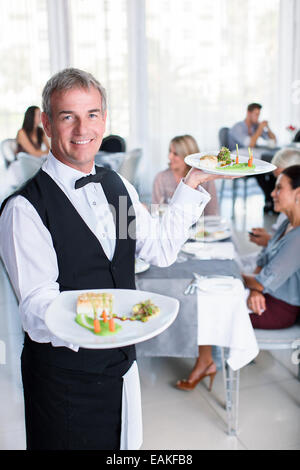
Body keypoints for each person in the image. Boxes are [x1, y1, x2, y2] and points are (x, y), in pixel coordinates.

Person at [0, 68, 233, 450]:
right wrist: (109, 321)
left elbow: (155, 248)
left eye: (92, 114)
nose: (82, 129)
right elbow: (37, 314)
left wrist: (190, 183)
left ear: (104, 119)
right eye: (67, 116)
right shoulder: (25, 209)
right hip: (65, 383)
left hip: (122, 368)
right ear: (45, 122)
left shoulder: (115, 185)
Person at [176, 165, 300, 392]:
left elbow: (264, 280)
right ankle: (207, 361)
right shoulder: (287, 222)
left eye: (279, 188)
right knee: (209, 291)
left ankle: (206, 363)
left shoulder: (298, 239)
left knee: (208, 301)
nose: (272, 193)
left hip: (280, 309)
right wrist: (256, 288)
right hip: (265, 296)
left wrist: (237, 274)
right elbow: (263, 263)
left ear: (298, 194)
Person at [228, 103, 277, 213]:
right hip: (238, 161)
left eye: (259, 114)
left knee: (272, 169)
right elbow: (250, 144)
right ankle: (269, 201)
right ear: (248, 113)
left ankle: (270, 201)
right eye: (256, 114)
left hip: (253, 160)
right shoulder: (238, 127)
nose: (258, 117)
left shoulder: (256, 126)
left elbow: (273, 141)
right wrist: (260, 129)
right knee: (262, 171)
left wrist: (267, 128)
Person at [152, 135, 219, 215]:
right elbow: (155, 212)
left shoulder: (206, 179)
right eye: (170, 152)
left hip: (200, 226)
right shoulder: (161, 178)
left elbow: (212, 213)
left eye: (175, 154)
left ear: (188, 155)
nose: (169, 157)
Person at [249, 148, 300, 248]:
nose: (273, 193)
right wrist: (269, 237)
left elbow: (290, 251)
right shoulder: (288, 210)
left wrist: (269, 241)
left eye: (280, 186)